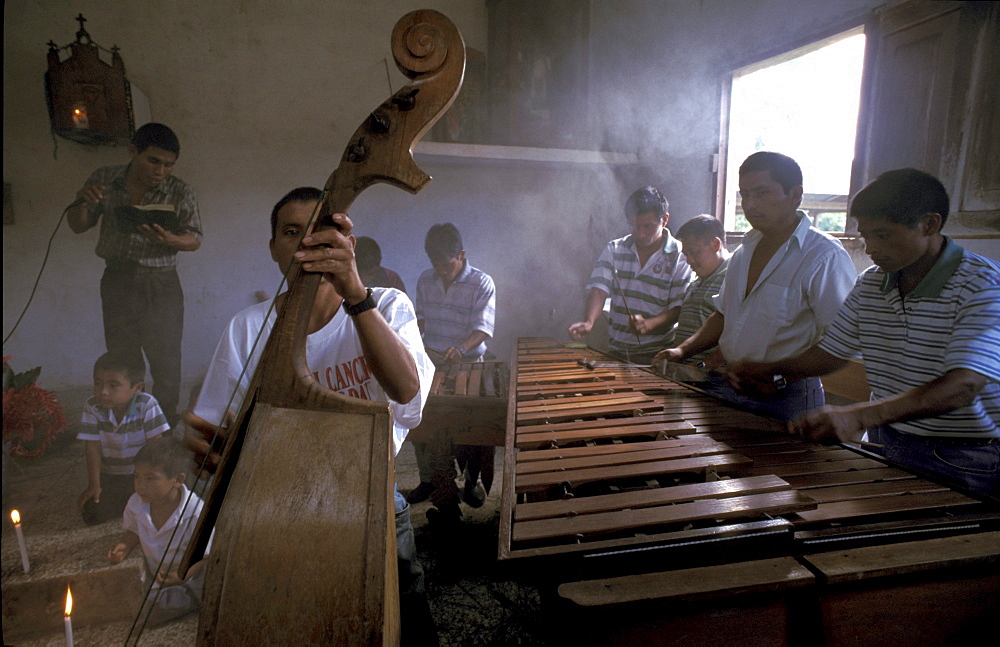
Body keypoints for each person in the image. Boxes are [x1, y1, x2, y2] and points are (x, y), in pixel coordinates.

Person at [184, 187, 438, 644]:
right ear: (274, 249)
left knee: (407, 622)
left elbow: (407, 394)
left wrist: (355, 294)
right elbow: (217, 438)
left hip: (373, 502)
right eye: (291, 232)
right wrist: (207, 452)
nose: (306, 243)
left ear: (346, 243)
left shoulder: (387, 304)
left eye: (321, 231)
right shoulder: (247, 328)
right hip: (283, 512)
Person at [728, 169, 999, 497]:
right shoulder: (872, 282)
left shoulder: (981, 284)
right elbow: (832, 352)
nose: (870, 248)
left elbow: (964, 384)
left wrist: (860, 416)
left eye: (883, 235)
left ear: (929, 225)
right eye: (865, 236)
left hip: (963, 457)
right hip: (890, 441)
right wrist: (770, 369)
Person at [655, 152, 856, 421]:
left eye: (762, 194)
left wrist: (780, 375)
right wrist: (683, 350)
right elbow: (724, 315)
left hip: (788, 396)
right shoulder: (743, 252)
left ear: (795, 194)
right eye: (745, 195)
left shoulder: (824, 256)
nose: (750, 205)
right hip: (730, 387)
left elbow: (841, 343)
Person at [68, 123, 202, 425]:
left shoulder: (180, 190)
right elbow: (78, 225)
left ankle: (163, 425)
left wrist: (170, 240)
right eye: (153, 161)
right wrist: (83, 201)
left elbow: (195, 239)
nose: (160, 171)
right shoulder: (105, 179)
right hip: (117, 278)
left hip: (161, 282)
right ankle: (126, 423)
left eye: (168, 165)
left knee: (165, 360)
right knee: (122, 357)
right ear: (133, 152)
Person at [408, 224, 497, 526]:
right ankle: (437, 486)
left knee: (472, 428)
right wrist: (411, 341)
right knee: (426, 424)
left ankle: (471, 481)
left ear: (461, 255)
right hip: (433, 364)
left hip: (470, 365)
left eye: (447, 264)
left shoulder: (482, 283)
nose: (442, 271)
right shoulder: (425, 280)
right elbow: (419, 320)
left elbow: (484, 328)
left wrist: (460, 347)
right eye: (437, 265)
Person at [568, 186, 692, 364]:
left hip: (658, 355)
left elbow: (679, 308)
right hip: (617, 350)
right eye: (634, 226)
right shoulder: (615, 248)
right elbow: (599, 290)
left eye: (648, 226)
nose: (640, 233)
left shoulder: (680, 255)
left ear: (664, 220)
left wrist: (649, 324)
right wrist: (589, 321)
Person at [107, 440, 210, 626]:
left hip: (191, 576)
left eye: (150, 478)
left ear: (178, 480)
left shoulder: (195, 512)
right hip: (159, 575)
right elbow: (133, 530)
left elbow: (205, 555)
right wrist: (125, 545)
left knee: (153, 610)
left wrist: (182, 575)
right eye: (136, 477)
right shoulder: (136, 503)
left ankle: (193, 599)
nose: (140, 486)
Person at [77, 350, 170, 524]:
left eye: (113, 385)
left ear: (137, 388)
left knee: (155, 504)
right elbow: (92, 447)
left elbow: (155, 448)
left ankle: (135, 504)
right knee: (92, 512)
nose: (103, 392)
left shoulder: (147, 405)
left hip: (139, 474)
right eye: (98, 383)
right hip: (110, 475)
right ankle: (129, 504)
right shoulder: (92, 407)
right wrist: (94, 485)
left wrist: (152, 483)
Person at [670, 214, 731, 363]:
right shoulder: (695, 282)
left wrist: (704, 366)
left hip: (711, 380)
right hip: (684, 375)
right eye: (686, 254)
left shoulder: (733, 277)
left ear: (715, 245)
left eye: (694, 252)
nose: (689, 260)